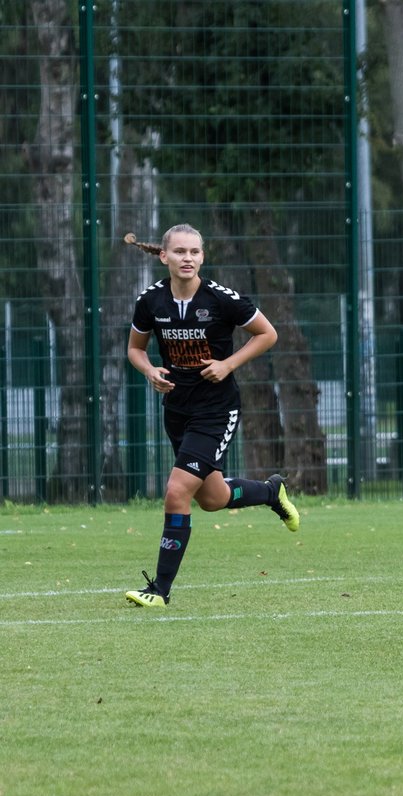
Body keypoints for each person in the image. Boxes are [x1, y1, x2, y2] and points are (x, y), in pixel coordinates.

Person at [122, 224, 299, 607]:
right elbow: (135, 349)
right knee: (213, 498)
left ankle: (159, 590)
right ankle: (271, 491)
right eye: (180, 252)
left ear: (203, 257)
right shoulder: (151, 301)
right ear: (163, 256)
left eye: (195, 252)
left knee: (176, 491)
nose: (188, 258)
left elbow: (267, 333)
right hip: (177, 408)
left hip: (216, 410)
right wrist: (150, 370)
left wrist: (228, 364)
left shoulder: (221, 298)